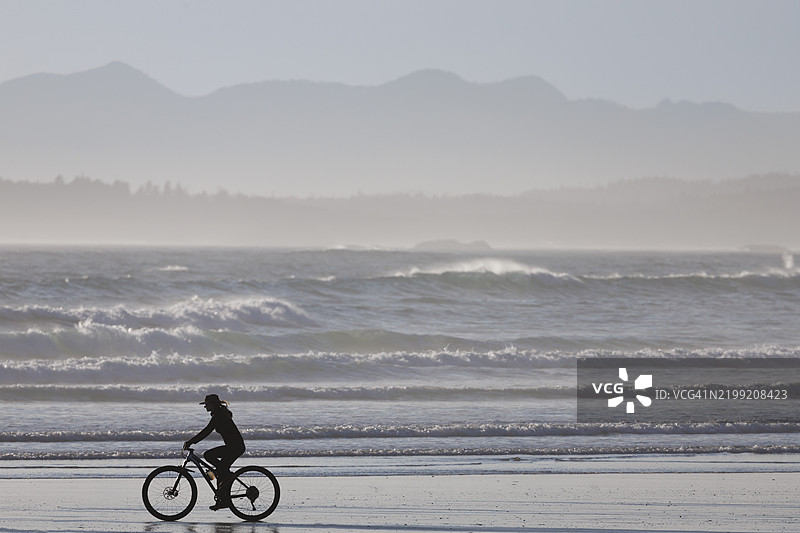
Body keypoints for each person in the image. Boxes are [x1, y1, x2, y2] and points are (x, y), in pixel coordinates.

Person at [183, 393, 246, 510]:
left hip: (235, 447)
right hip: (235, 446)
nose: (205, 407)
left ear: (213, 404)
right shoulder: (220, 414)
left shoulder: (219, 416)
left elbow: (206, 431)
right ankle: (223, 500)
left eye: (206, 404)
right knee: (220, 472)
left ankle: (226, 477)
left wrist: (191, 442)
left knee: (208, 455)